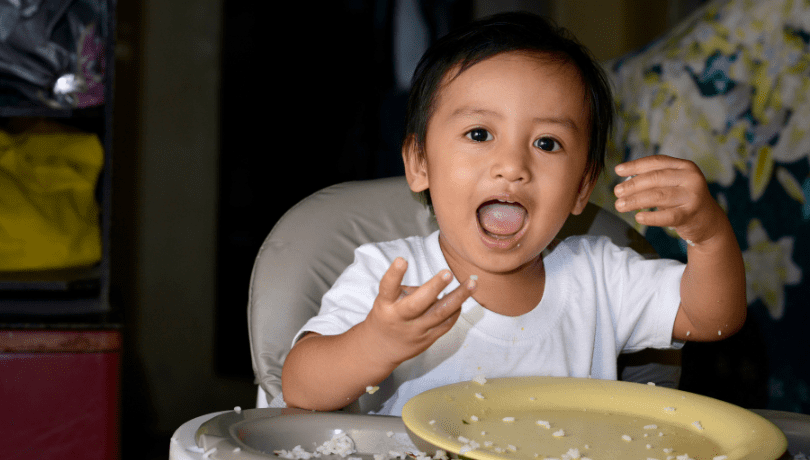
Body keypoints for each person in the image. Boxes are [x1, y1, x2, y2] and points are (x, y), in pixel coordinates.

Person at [278, 11, 746, 416]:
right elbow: (300, 389)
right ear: (419, 163)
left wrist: (708, 236)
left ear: (582, 188)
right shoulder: (391, 277)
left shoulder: (600, 278)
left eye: (547, 143)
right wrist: (374, 344)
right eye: (480, 134)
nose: (512, 166)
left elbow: (713, 317)